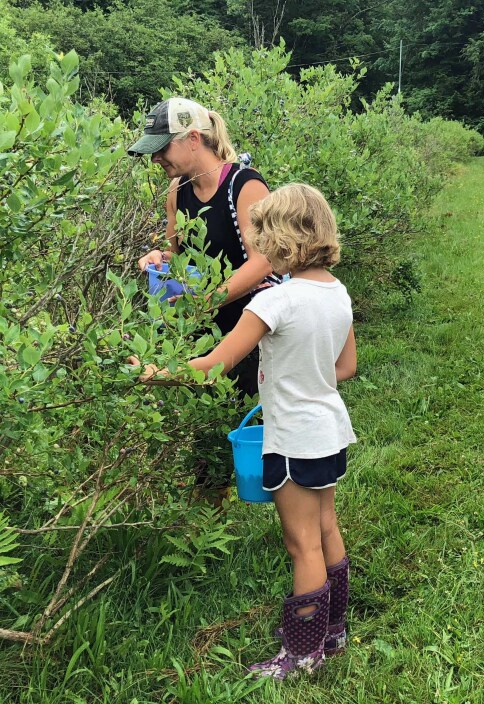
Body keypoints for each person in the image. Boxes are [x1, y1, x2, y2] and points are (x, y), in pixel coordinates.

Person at [130, 183, 357, 678]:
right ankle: (333, 630)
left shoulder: (273, 303)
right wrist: (304, 372)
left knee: (302, 545)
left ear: (279, 239)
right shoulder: (336, 293)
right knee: (326, 528)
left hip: (293, 438)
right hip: (330, 429)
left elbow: (212, 366)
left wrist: (150, 371)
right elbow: (346, 367)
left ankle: (300, 654)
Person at [128, 97, 278, 502]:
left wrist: (212, 297)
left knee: (250, 405)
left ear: (194, 138)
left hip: (253, 318)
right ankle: (211, 495)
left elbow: (264, 259)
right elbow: (179, 254)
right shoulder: (177, 193)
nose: (156, 157)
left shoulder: (245, 185)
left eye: (162, 148)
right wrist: (158, 259)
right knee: (207, 406)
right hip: (203, 320)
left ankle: (270, 490)